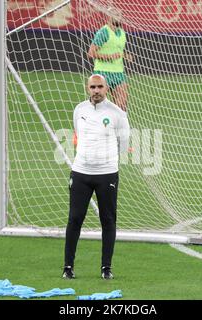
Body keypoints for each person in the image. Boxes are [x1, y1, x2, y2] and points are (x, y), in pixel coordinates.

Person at [62, 74, 130, 280]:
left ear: (106, 89)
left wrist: (106, 160)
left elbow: (124, 144)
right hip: (81, 172)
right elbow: (78, 134)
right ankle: (67, 267)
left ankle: (106, 268)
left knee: (108, 220)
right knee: (75, 219)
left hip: (106, 174)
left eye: (100, 86)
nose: (96, 90)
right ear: (87, 88)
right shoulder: (79, 109)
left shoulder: (117, 113)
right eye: (93, 87)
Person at [87, 8, 132, 112]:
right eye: (115, 14)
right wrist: (109, 57)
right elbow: (90, 53)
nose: (118, 17)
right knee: (100, 106)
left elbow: (116, 50)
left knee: (121, 107)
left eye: (119, 15)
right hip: (103, 73)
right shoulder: (104, 32)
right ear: (109, 16)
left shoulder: (122, 32)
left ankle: (118, 128)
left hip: (119, 73)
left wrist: (126, 55)